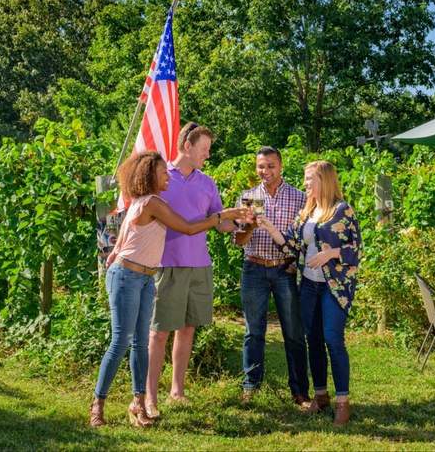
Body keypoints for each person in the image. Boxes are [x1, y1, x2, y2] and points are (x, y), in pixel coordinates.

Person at [89, 150, 246, 428]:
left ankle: (138, 404)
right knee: (121, 341)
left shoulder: (145, 202)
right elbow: (187, 228)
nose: (168, 178)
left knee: (140, 343)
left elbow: (124, 239)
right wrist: (221, 215)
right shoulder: (151, 203)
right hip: (127, 277)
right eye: (163, 173)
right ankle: (97, 406)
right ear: (150, 175)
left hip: (146, 278)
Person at [257, 160, 361, 426]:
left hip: (334, 287)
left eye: (309, 179)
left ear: (323, 180)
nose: (305, 184)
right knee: (312, 340)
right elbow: (291, 246)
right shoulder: (307, 212)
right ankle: (321, 395)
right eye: (305, 179)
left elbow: (356, 250)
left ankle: (343, 402)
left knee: (333, 339)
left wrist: (331, 253)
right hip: (309, 286)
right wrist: (269, 227)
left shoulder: (342, 210)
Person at [145, 122, 237, 415]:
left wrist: (240, 221)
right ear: (187, 146)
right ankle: (149, 397)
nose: (208, 155)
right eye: (204, 149)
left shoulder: (207, 183)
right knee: (159, 332)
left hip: (199, 266)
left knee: (187, 330)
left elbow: (219, 223)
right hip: (166, 264)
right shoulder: (161, 178)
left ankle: (177, 391)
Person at [232, 146, 310, 407]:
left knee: (294, 333)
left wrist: (294, 263)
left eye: (270, 166)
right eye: (261, 166)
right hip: (254, 268)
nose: (265, 171)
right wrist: (250, 227)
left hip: (284, 270)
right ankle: (251, 386)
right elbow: (238, 241)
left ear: (281, 166)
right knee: (253, 331)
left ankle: (300, 391)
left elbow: (302, 239)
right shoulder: (249, 198)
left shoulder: (299, 198)